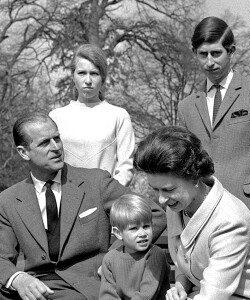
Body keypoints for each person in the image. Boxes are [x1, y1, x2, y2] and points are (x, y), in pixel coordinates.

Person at [0, 112, 166, 300]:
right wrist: (18, 279)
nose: (56, 147)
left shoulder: (96, 182)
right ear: (23, 152)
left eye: (57, 138)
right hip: (35, 287)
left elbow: (154, 213)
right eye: (44, 143)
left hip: (86, 286)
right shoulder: (8, 200)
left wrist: (115, 258)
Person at [134, 125, 250, 300]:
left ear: (194, 177)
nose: (161, 200)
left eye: (169, 189)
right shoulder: (176, 205)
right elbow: (184, 257)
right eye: (156, 190)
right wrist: (180, 285)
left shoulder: (229, 220)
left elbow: (213, 295)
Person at [178, 16, 250, 233]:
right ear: (195, 54)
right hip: (204, 211)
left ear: (231, 51)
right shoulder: (187, 106)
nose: (210, 62)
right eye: (203, 54)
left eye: (216, 53)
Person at [49, 43, 135, 187]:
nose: (88, 80)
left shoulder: (118, 116)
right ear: (73, 76)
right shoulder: (56, 117)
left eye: (94, 73)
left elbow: (126, 168)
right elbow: (49, 163)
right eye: (82, 73)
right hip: (66, 199)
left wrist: (107, 195)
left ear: (102, 77)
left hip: (105, 199)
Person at [98, 194, 170, 300]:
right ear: (118, 233)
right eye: (134, 229)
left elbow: (147, 295)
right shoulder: (110, 259)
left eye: (146, 226)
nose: (142, 233)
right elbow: (108, 295)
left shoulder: (155, 254)